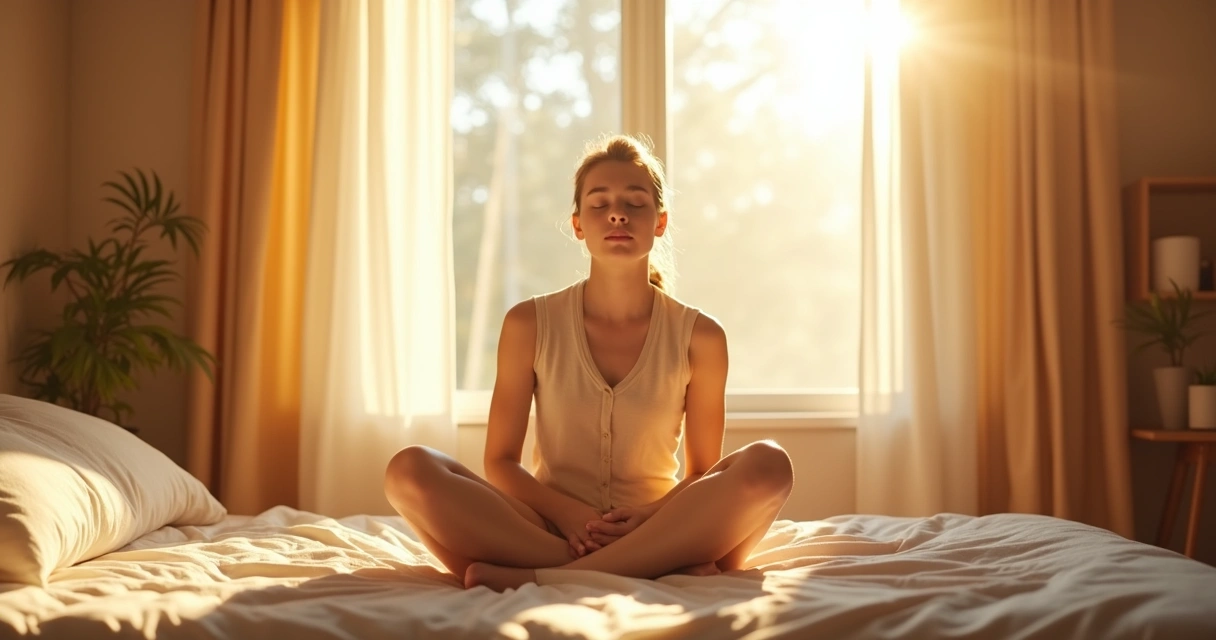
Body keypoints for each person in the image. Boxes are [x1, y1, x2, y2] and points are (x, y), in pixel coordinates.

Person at [383, 134, 794, 592]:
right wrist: (568, 514)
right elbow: (500, 461)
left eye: (635, 203)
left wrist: (647, 517)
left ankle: (550, 574)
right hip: (542, 525)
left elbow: (701, 472)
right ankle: (650, 568)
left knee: (769, 464)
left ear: (660, 222)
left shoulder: (702, 336)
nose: (617, 213)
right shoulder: (528, 323)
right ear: (578, 225)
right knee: (409, 470)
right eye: (600, 204)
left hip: (658, 524)